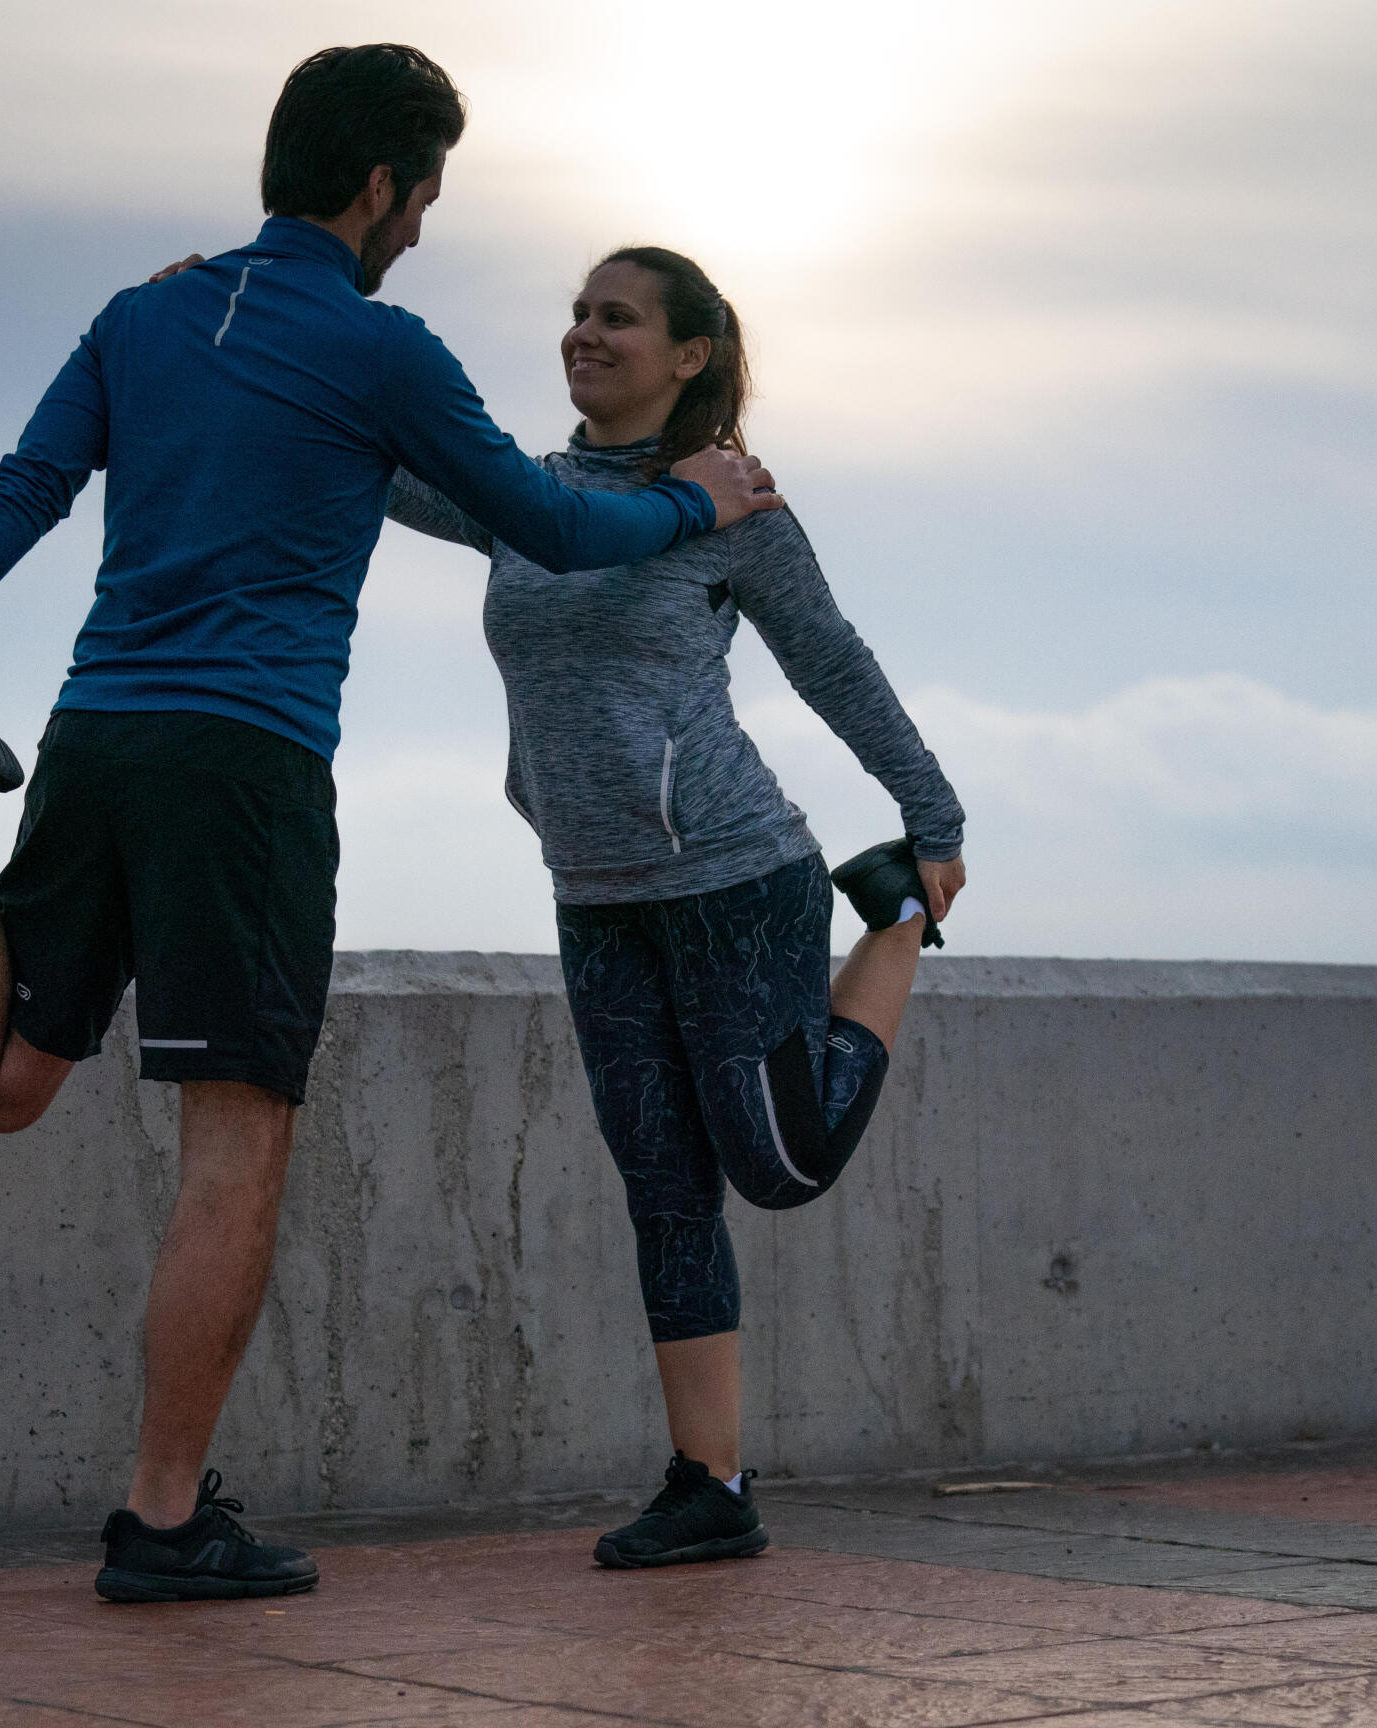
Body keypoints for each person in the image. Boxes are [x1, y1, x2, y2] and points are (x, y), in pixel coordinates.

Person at [0, 47, 783, 1605]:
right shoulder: (383, 347)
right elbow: (556, 525)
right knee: (237, 1145)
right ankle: (162, 1515)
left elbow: (23, 493)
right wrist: (701, 503)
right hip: (248, 770)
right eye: (426, 200)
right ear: (383, 188)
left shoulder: (144, 314)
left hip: (96, 734)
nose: (421, 231)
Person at [382, 246, 967, 1569]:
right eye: (578, 311)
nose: (584, 333)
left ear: (689, 353)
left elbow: (833, 662)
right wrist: (239, 325)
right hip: (594, 897)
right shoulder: (523, 498)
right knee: (666, 1191)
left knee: (783, 1163)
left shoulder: (736, 508)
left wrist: (933, 821)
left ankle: (891, 927)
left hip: (732, 880)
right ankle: (711, 1486)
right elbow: (367, 454)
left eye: (618, 317)